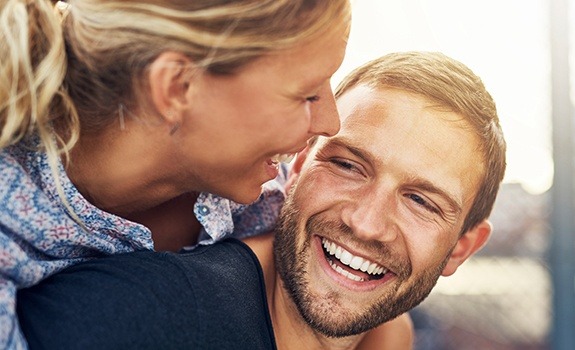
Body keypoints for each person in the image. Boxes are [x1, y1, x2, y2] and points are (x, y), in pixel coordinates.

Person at [17, 51, 507, 349]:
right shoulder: (135, 317)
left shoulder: (386, 332)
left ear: (462, 247)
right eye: (346, 165)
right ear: (294, 165)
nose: (366, 223)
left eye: (421, 201)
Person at [0, 0, 351, 348]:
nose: (330, 123)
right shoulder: (9, 224)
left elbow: (374, 311)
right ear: (177, 86)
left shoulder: (255, 190)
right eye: (307, 95)